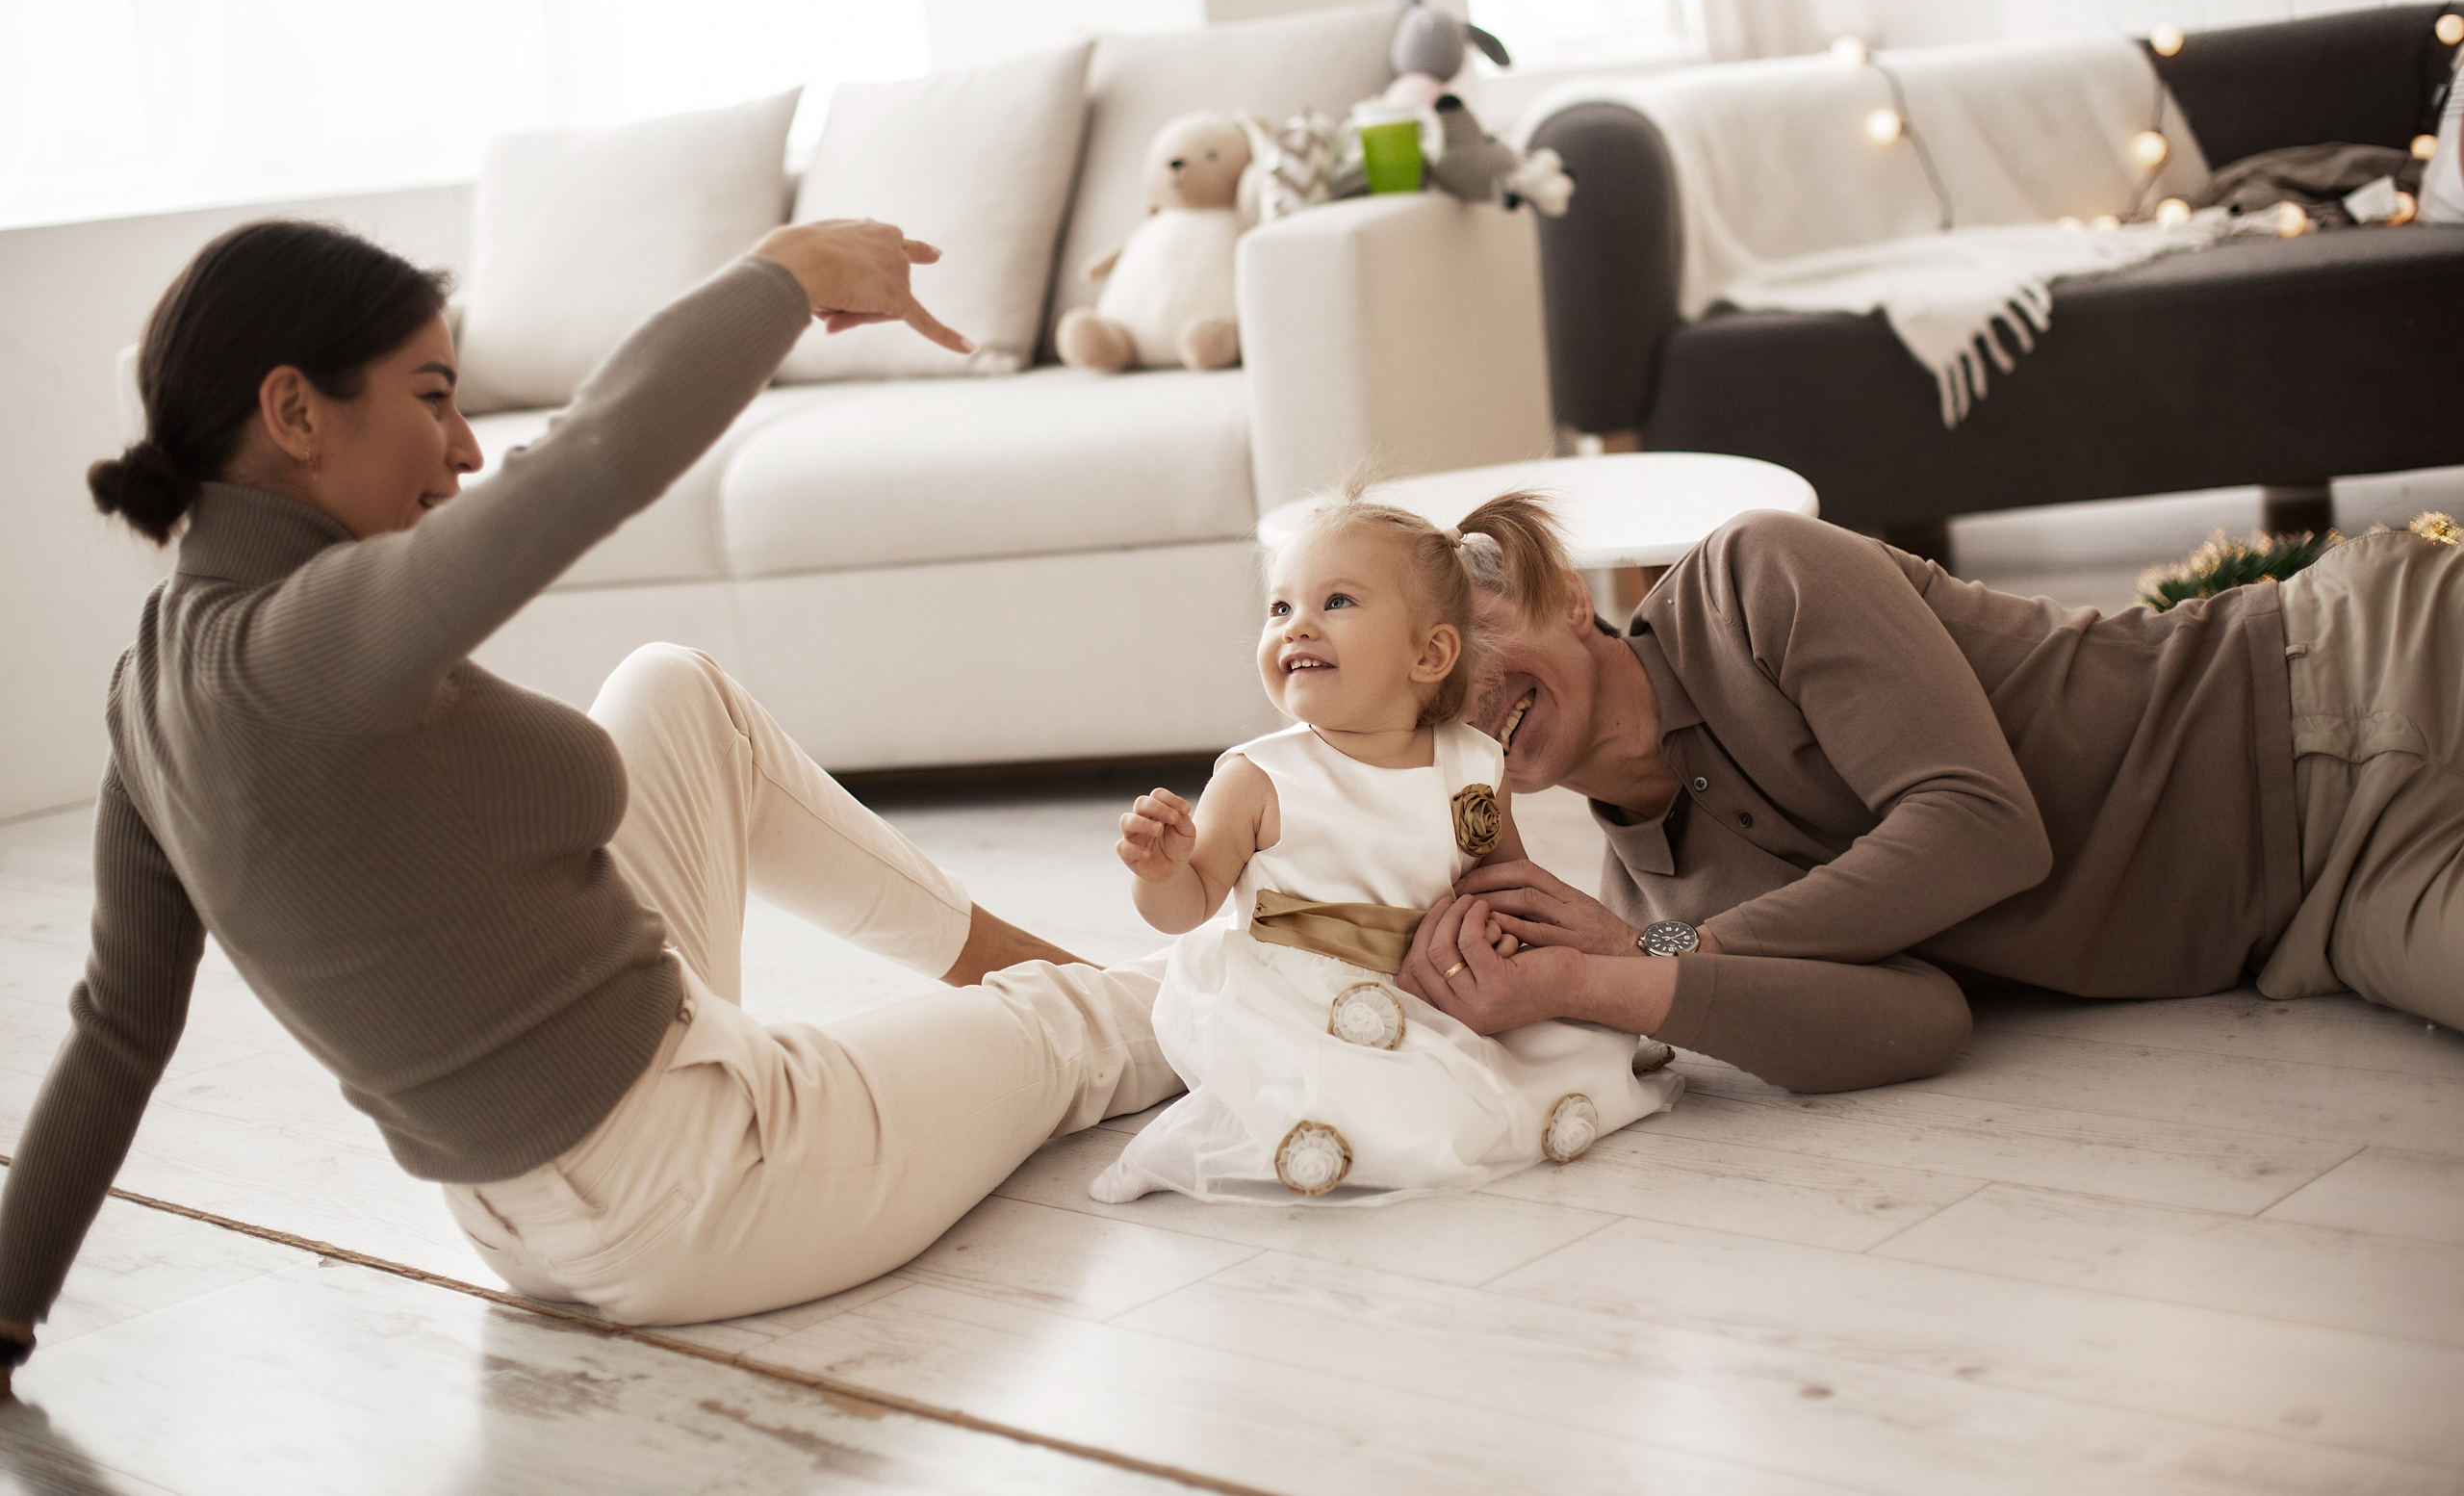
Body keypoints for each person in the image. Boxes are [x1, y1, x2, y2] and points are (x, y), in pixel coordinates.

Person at [0, 218, 1182, 1394]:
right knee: (1090, 1027)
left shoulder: (150, 686)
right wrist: (790, 274)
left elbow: (116, 1030)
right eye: (432, 397)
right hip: (704, 1186)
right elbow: (590, 460)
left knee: (674, 691)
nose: (464, 448)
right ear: (296, 413)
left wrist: (4, 1310)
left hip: (536, 1203)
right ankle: (1249, 965)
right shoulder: (312, 641)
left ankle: (1020, 966)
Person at [1389, 504, 2464, 1095]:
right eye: (1429, 692)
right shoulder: (1651, 899)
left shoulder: (1753, 580)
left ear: (1569, 599)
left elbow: (1982, 829)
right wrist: (1600, 976)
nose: (1469, 692)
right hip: (2333, 899)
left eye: (1475, 634)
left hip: (2347, 666)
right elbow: (1919, 1020)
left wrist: (1670, 952)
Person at [1097, 492, 1678, 1205]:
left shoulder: (1473, 761)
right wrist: (1161, 873)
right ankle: (1319, 1131)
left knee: (1532, 1042)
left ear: (1429, 653)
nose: (1296, 625)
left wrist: (1513, 947)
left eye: (1337, 601)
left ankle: (1575, 1065)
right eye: (1280, 607)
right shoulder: (1257, 777)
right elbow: (1186, 907)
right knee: (1379, 1086)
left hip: (1440, 979)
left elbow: (1508, 884)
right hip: (1303, 997)